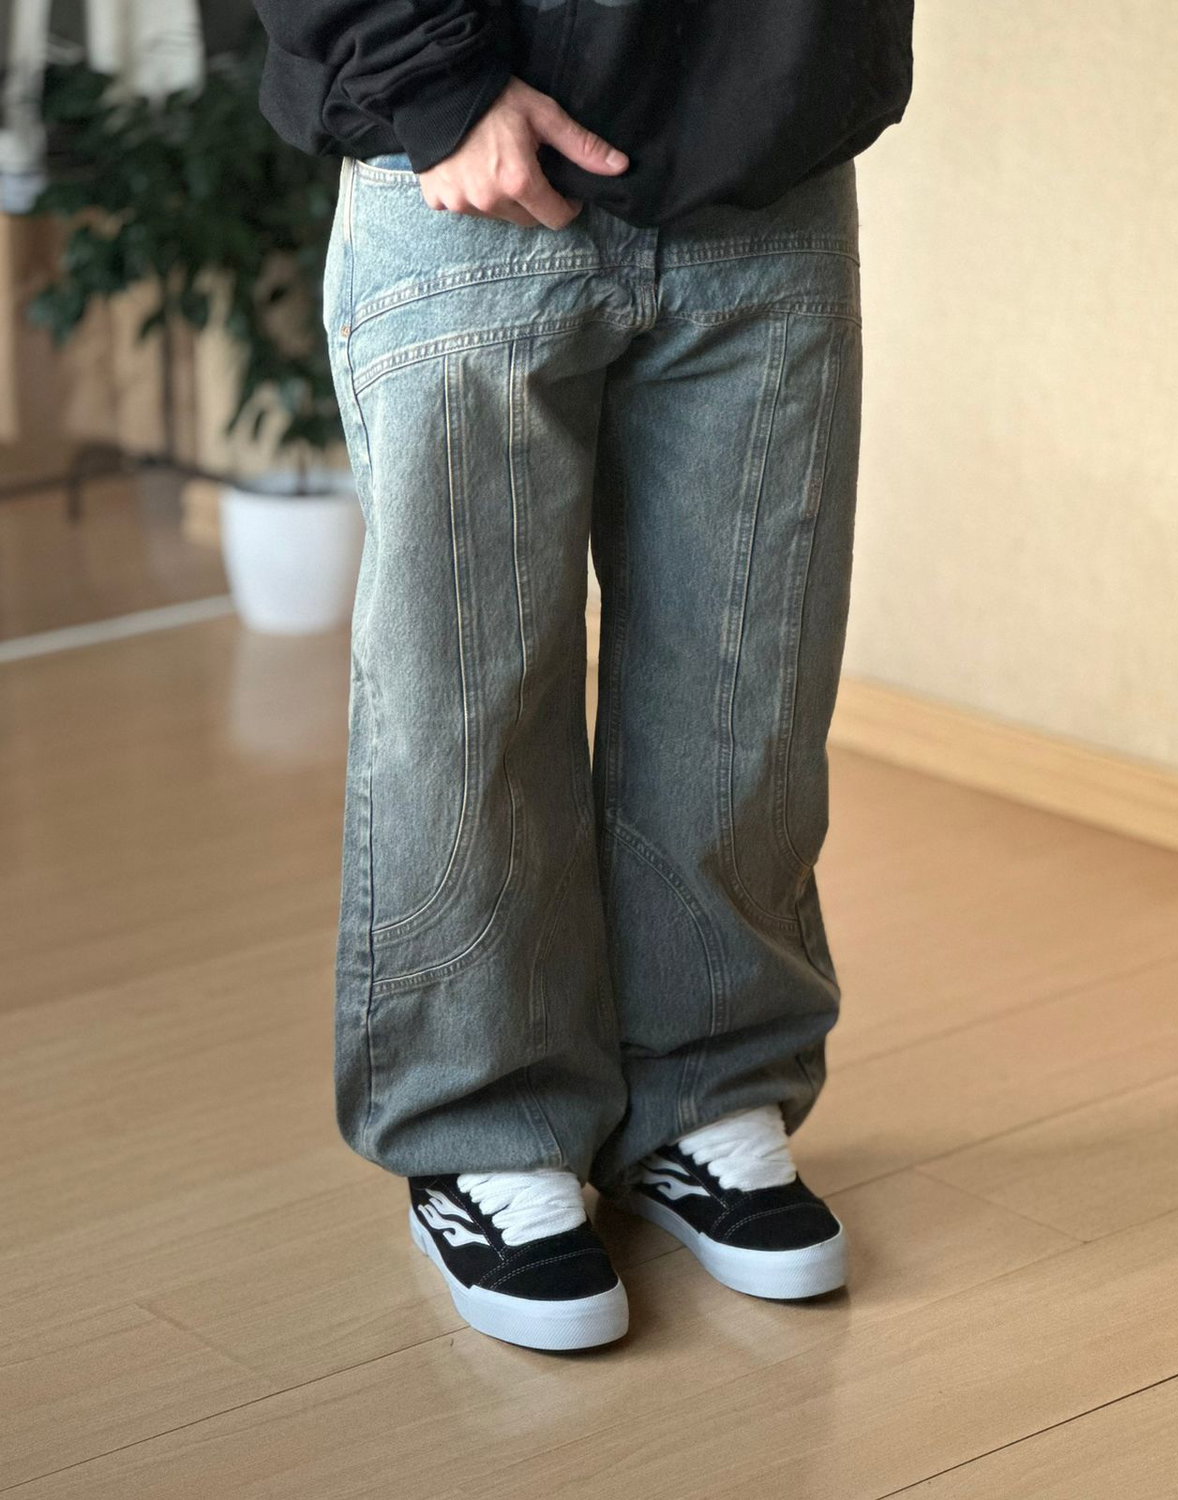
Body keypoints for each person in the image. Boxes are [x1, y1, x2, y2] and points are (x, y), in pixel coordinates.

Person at [251, 0, 914, 1351]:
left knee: (749, 684)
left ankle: (708, 1089)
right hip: (468, 163)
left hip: (771, 151)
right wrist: (429, 79)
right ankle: (483, 1125)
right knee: (468, 700)